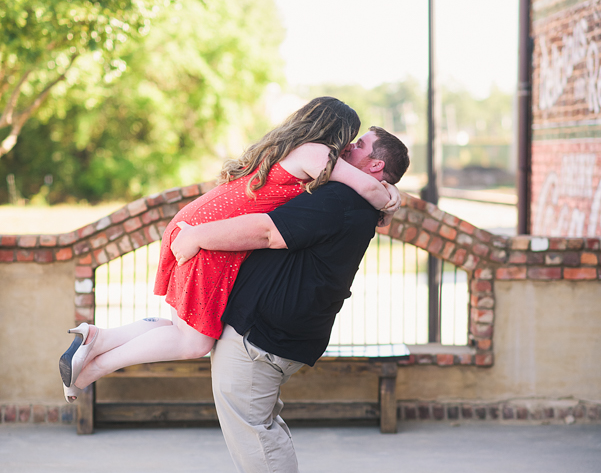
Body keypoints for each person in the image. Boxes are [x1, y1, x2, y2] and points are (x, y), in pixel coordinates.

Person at [171, 126, 409, 473]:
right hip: (276, 330)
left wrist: (197, 237)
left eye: (360, 145)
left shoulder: (343, 200)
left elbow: (264, 231)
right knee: (264, 425)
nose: (348, 147)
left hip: (265, 333)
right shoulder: (354, 197)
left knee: (254, 430)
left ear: (376, 166)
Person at [59, 99, 401, 401]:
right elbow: (366, 188)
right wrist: (390, 196)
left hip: (199, 223)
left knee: (182, 329)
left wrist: (382, 185)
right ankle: (94, 368)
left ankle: (96, 338)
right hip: (210, 238)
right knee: (194, 343)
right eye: (350, 138)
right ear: (335, 131)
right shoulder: (318, 153)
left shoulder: (289, 146)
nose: (349, 147)